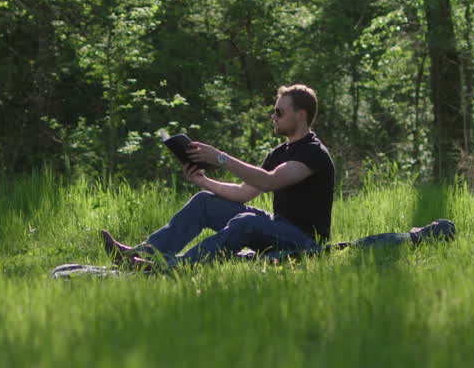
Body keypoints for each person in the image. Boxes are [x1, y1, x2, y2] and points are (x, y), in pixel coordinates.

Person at [100, 84, 335, 272]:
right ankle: (140, 257)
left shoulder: (313, 152)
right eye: (274, 111)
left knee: (246, 220)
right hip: (276, 228)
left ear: (301, 115)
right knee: (204, 201)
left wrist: (220, 158)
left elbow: (269, 181)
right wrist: (203, 181)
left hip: (305, 241)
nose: (273, 116)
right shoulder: (279, 153)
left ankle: (172, 269)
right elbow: (245, 192)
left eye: (279, 112)